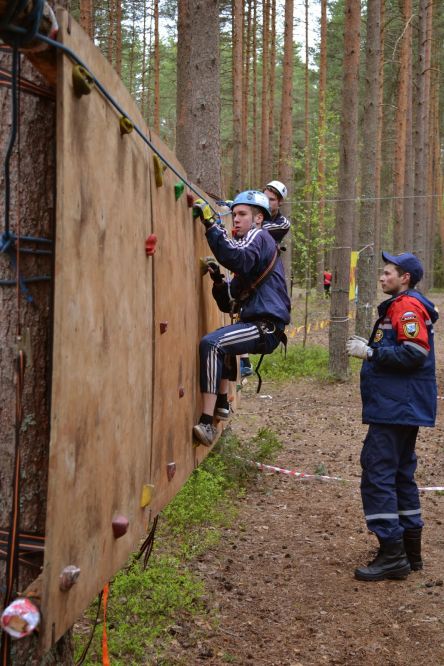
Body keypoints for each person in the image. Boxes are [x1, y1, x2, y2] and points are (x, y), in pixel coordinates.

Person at [346, 251, 438, 582]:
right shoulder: (402, 306)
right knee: (399, 474)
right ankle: (410, 552)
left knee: (378, 472)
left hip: (397, 406)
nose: (382, 278)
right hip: (400, 405)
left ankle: (392, 554)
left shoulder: (406, 306)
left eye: (388, 273)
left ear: (405, 278)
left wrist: (371, 353)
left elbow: (414, 352)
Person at [192, 191, 291, 447]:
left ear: (258, 218)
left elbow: (236, 257)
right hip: (260, 325)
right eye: (234, 214)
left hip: (265, 326)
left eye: (242, 214)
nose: (235, 219)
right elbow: (229, 302)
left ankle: (207, 423)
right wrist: (218, 280)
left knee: (212, 343)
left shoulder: (259, 236)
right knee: (222, 341)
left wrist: (211, 225)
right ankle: (222, 405)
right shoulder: (251, 255)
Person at [238, 180, 291, 379]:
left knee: (258, 307)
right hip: (250, 264)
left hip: (266, 272)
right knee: (242, 305)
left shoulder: (281, 223)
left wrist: (249, 218)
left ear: (280, 202)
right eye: (265, 198)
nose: (268, 202)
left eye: (272, 200)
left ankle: (245, 357)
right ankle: (243, 360)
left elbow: (261, 230)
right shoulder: (255, 216)